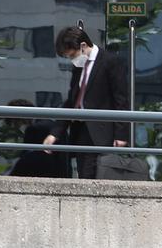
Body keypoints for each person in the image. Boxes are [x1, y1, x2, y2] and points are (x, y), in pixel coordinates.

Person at [44, 26, 129, 179]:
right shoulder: (78, 67)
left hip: (103, 131)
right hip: (81, 129)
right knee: (84, 174)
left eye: (72, 55)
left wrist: (121, 134)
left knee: (99, 175)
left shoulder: (110, 62)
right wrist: (55, 133)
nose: (72, 60)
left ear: (83, 46)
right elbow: (72, 101)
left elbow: (121, 99)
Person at [6, 99, 69, 178]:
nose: (16, 126)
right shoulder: (53, 126)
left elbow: (26, 157)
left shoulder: (33, 129)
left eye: (15, 122)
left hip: (43, 172)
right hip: (60, 172)